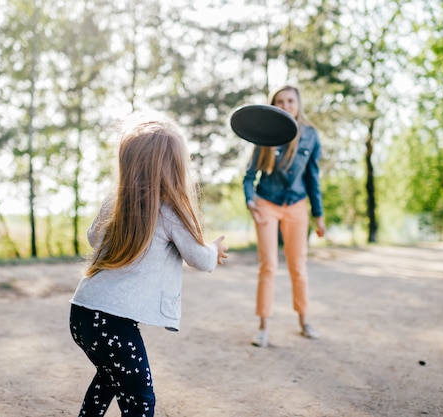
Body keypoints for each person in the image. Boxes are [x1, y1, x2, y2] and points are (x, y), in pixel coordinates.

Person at [69, 112, 229, 417]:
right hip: (113, 324)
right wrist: (215, 248)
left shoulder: (113, 202)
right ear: (175, 167)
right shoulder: (170, 210)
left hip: (82, 315)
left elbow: (93, 238)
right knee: (140, 400)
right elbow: (202, 260)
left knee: (109, 376)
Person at [242, 85, 326, 348]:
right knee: (268, 265)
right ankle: (263, 327)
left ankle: (304, 322)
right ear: (274, 105)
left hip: (297, 205)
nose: (285, 105)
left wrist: (319, 214)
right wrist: (250, 200)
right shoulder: (264, 134)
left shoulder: (311, 135)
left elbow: (312, 178)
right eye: (280, 101)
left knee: (298, 266)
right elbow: (248, 176)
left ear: (298, 104)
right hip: (267, 203)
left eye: (290, 101)